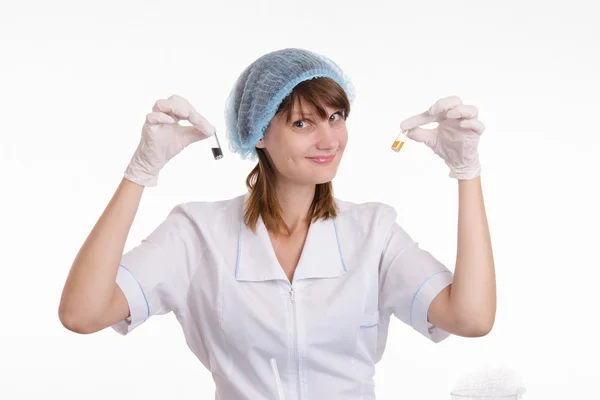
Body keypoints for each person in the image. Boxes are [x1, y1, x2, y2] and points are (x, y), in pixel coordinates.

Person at [58, 48, 496, 399]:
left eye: (335, 117)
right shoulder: (197, 234)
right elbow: (82, 313)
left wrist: (467, 171)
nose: (328, 139)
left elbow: (472, 318)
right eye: (303, 122)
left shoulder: (373, 233)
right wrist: (140, 173)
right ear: (259, 134)